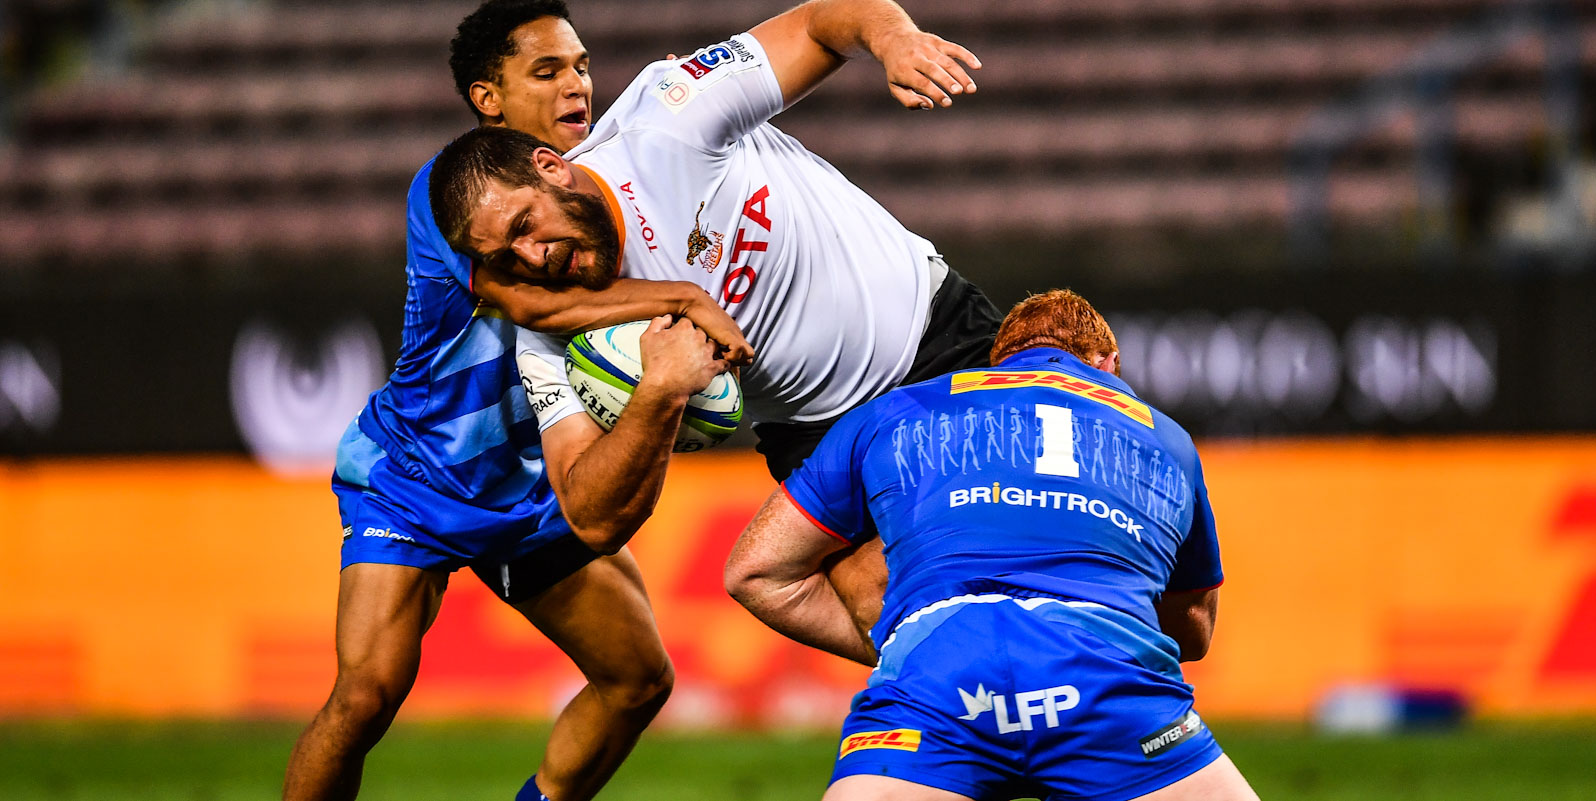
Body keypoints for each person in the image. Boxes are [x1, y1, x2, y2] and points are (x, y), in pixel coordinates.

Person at [282, 3, 743, 800]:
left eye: (583, 66)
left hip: (528, 488)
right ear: (489, 98)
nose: (577, 85)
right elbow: (534, 305)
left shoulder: (596, 177)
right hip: (417, 475)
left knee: (637, 679)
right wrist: (683, 297)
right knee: (365, 696)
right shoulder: (453, 189)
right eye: (547, 70)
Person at [428, 0, 1006, 633]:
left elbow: (822, 19)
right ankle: (974, 707)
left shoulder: (667, 117)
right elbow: (591, 518)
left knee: (1058, 543)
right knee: (880, 603)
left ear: (550, 169)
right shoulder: (543, 322)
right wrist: (658, 392)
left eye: (525, 225)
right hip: (814, 433)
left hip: (936, 337)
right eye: (505, 252)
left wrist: (896, 41)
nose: (533, 255)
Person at [723, 289, 1260, 801]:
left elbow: (755, 572)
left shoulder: (889, 413)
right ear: (1110, 365)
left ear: (994, 363)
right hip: (1107, 685)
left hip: (938, 680)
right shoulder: (1167, 438)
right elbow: (1192, 629)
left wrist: (902, 648)